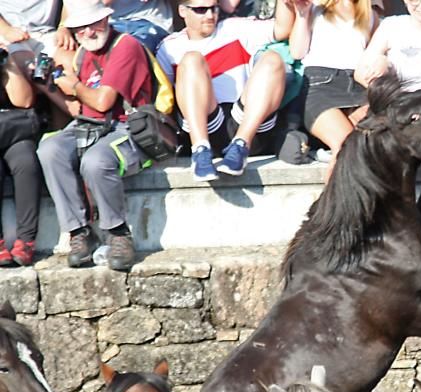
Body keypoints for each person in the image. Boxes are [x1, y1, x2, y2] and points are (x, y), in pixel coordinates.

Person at [35, 0, 152, 272]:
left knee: (96, 160)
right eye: (80, 28)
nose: (88, 32)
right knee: (48, 150)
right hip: (89, 125)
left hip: (128, 127)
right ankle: (78, 233)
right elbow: (79, 109)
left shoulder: (126, 46)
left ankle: (118, 232)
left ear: (106, 20)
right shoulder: (83, 53)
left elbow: (102, 101)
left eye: (93, 24)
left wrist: (73, 85)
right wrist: (49, 86)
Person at [157, 0, 291, 182]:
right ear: (182, 11)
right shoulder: (168, 47)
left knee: (273, 60)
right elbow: (164, 99)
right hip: (206, 124)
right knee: (191, 60)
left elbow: (283, 29)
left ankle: (240, 146)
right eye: (201, 10)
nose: (210, 15)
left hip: (246, 122)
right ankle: (200, 150)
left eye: (214, 9)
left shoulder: (233, 27)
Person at [286, 0, 376, 180]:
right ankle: (332, 207)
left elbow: (374, 57)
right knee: (345, 145)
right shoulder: (316, 6)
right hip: (321, 84)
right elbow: (297, 52)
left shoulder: (369, 14)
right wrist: (302, 15)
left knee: (373, 143)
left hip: (358, 86)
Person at [354, 0, 421, 93]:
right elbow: (360, 73)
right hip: (401, 105)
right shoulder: (391, 26)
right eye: (415, 0)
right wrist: (379, 73)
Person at [0, 50, 41, 266]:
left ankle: (26, 240)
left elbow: (24, 101)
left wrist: (6, 63)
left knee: (26, 161)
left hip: (11, 131)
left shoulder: (7, 61)